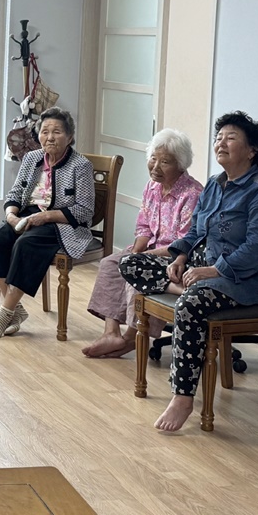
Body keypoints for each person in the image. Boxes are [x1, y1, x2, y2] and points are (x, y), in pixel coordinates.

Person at [120, 111, 258, 433]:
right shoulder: (215, 184)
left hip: (244, 282)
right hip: (202, 270)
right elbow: (195, 231)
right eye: (218, 137)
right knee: (130, 262)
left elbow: (256, 248)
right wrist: (180, 256)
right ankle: (182, 287)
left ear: (252, 150)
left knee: (191, 304)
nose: (221, 143)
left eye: (231, 138)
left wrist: (212, 271)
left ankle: (182, 397)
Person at [83, 129, 203, 358]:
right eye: (153, 159)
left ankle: (133, 336)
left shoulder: (192, 194)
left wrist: (141, 257)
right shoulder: (152, 186)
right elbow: (144, 225)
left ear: (180, 165)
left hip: (176, 257)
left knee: (136, 272)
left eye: (164, 162)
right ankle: (111, 333)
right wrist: (137, 250)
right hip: (150, 249)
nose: (155, 167)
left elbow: (186, 241)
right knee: (110, 263)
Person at [0, 108, 96, 339]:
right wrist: (11, 216)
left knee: (26, 244)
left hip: (61, 223)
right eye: (45, 131)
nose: (50, 137)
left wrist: (47, 216)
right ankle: (16, 311)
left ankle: (5, 312)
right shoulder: (32, 158)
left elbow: (84, 210)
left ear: (70, 137)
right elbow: (15, 193)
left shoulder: (80, 165)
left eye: (57, 132)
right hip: (27, 215)